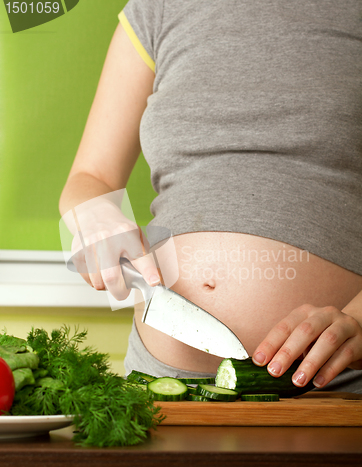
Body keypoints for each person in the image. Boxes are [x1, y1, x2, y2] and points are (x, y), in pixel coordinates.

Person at [59, 0, 362, 392]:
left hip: (333, 384)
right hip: (160, 380)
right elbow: (91, 176)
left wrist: (357, 320)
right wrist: (96, 216)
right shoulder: (158, 9)